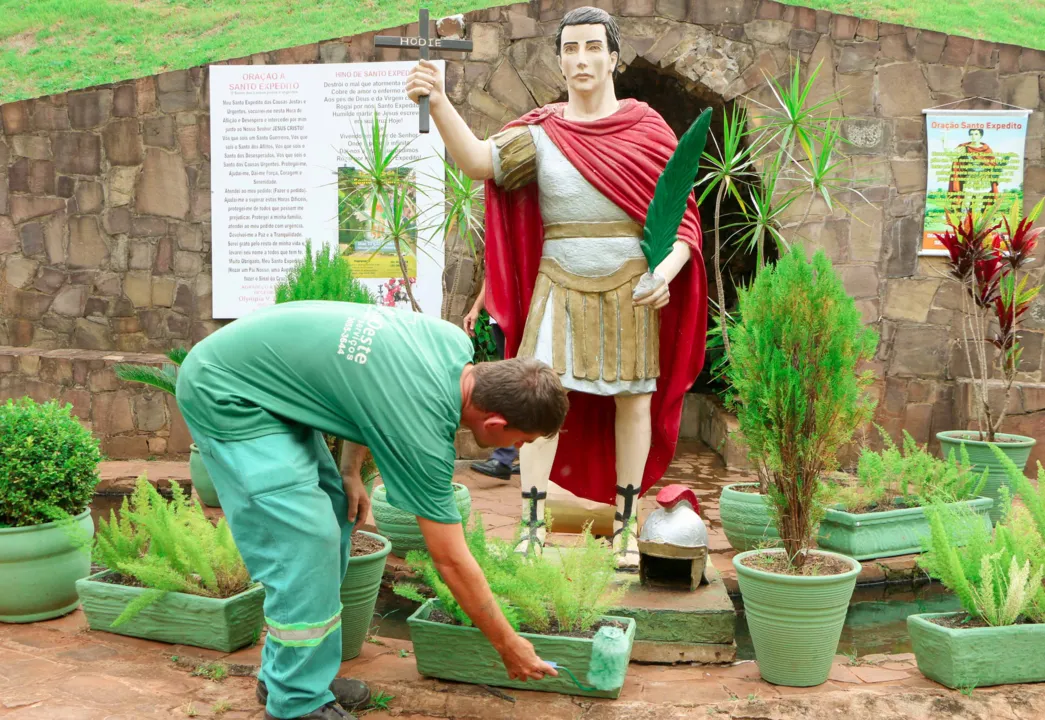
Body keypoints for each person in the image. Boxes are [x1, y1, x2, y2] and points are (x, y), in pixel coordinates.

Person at [406, 6, 707, 567]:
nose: (581, 59)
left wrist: (664, 275)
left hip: (631, 287)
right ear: (561, 59)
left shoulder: (648, 130)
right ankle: (533, 525)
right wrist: (442, 101)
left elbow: (682, 221)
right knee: (540, 399)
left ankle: (625, 529)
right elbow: (476, 162)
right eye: (570, 48)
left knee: (633, 401)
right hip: (558, 286)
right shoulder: (542, 132)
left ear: (614, 57)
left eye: (592, 47)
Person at [176, 301, 567, 720]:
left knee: (335, 512)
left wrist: (349, 471)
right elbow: (450, 559)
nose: (520, 449)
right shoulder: (422, 427)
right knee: (306, 544)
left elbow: (365, 390)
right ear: (494, 424)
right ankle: (295, 703)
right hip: (226, 391)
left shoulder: (451, 344)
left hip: (260, 379)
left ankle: (288, 676)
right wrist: (510, 645)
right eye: (521, 440)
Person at [464, 278, 521, 479]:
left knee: (518, 384)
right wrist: (476, 308)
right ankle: (511, 457)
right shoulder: (496, 247)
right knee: (516, 383)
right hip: (500, 317)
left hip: (524, 313)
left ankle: (504, 458)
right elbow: (492, 273)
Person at [948, 127, 1003, 213]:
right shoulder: (965, 148)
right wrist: (944, 141)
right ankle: (964, 220)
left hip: (983, 178)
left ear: (981, 135)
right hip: (970, 177)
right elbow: (952, 156)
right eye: (971, 134)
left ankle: (978, 222)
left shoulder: (986, 149)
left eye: (976, 134)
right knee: (967, 199)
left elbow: (992, 163)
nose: (973, 136)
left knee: (980, 200)